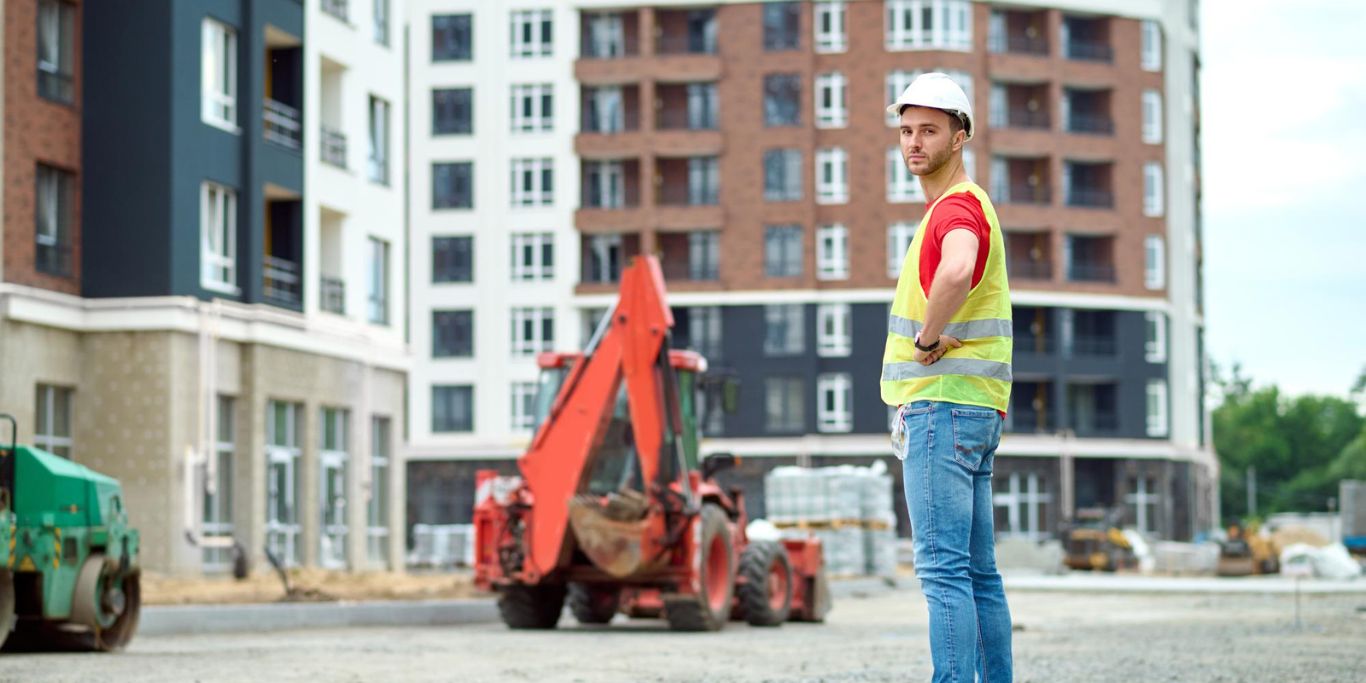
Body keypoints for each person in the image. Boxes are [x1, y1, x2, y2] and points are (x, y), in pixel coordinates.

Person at [881, 72, 1014, 683]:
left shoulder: (955, 208)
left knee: (941, 572)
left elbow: (957, 269)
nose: (914, 142)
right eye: (906, 130)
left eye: (929, 130)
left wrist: (927, 339)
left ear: (960, 137)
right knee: (978, 575)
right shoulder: (963, 206)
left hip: (941, 407)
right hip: (978, 412)